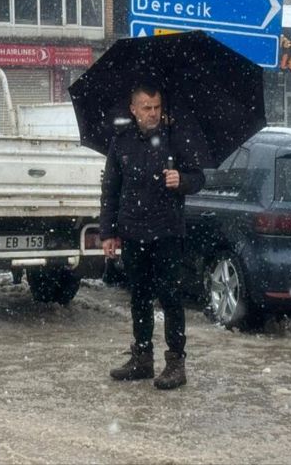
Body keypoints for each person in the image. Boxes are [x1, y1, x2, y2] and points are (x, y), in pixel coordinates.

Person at [99, 83, 209, 390]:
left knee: (171, 297)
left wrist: (182, 180)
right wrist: (108, 232)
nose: (152, 113)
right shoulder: (121, 141)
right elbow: (110, 190)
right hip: (133, 231)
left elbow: (199, 178)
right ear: (133, 109)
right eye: (146, 108)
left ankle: (175, 362)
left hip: (167, 232)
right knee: (139, 297)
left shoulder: (175, 138)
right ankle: (142, 358)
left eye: (157, 107)